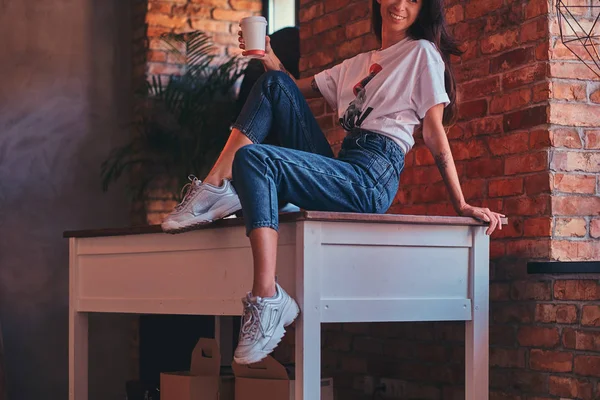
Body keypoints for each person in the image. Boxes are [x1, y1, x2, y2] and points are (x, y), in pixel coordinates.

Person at [161, 0, 505, 365]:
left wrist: (461, 203)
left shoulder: (422, 54)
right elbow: (289, 88)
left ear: (423, 9)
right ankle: (214, 186)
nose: (400, 5)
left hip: (371, 177)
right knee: (273, 83)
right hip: (344, 164)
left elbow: (434, 132)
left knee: (255, 159)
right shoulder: (358, 64)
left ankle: (267, 297)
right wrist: (264, 51)